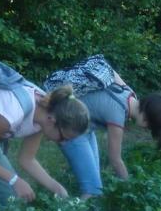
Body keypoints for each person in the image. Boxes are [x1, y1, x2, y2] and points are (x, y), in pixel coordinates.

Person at [43, 63, 145, 198]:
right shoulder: (118, 114)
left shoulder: (127, 92)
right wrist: (130, 190)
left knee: (95, 183)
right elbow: (115, 160)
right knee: (93, 190)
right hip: (70, 126)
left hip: (84, 126)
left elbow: (110, 69)